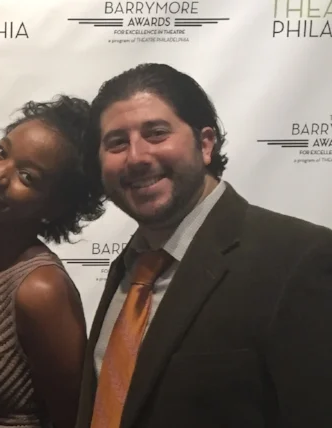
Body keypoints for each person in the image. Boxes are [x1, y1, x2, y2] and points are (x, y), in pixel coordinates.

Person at [76, 63, 332, 428]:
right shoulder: (131, 268)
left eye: (156, 133)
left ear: (206, 143)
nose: (136, 156)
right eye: (117, 142)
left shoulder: (301, 259)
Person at [0, 96, 103, 428]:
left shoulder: (41, 291)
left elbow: (73, 419)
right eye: (1, 152)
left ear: (55, 207)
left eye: (27, 177)